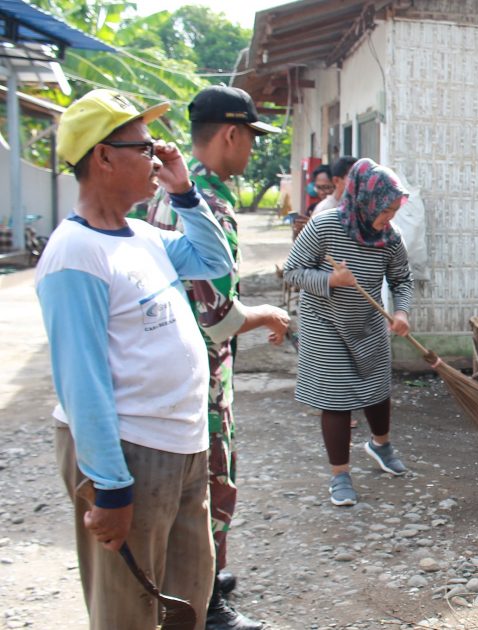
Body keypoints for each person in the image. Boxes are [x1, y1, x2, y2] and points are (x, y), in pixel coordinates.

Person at [37, 89, 234, 629]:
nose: (158, 156)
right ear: (102, 157)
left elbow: (215, 264)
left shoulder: (142, 236)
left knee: (186, 598)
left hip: (183, 443)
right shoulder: (76, 254)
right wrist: (110, 485)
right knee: (127, 610)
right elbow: (82, 381)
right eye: (145, 148)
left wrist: (185, 191)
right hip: (131, 449)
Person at [144, 85, 288, 630]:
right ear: (231, 134)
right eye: (251, 137)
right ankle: (205, 603)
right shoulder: (206, 204)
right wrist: (267, 314)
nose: (252, 149)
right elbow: (217, 314)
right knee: (210, 486)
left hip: (171, 364)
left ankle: (197, 584)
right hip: (198, 373)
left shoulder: (159, 193)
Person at [283, 158, 414, 506]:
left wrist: (400, 311)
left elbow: (401, 279)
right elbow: (292, 272)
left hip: (368, 321)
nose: (389, 218)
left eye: (394, 210)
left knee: (377, 388)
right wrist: (330, 280)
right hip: (325, 322)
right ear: (365, 201)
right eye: (385, 210)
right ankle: (340, 474)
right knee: (336, 399)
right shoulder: (325, 226)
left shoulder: (390, 237)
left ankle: (380, 445)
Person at [292, 165, 332, 239]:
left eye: (326, 187)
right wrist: (298, 231)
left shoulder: (342, 210)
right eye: (319, 188)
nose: (322, 192)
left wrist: (314, 227)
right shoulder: (313, 208)